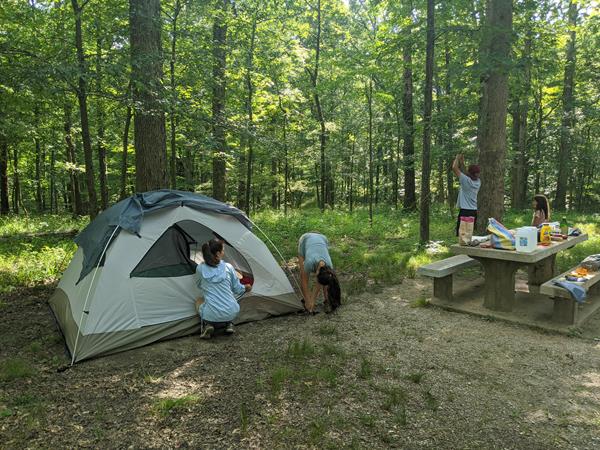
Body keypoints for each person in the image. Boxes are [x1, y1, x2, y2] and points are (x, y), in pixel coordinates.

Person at [196, 238, 251, 339]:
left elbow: (199, 285)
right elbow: (237, 289)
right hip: (232, 311)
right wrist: (246, 287)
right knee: (228, 299)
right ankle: (229, 324)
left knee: (199, 301)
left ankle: (208, 325)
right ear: (217, 253)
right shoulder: (228, 267)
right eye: (223, 250)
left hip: (211, 314)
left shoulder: (200, 269)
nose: (223, 252)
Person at [297, 232, 341, 313]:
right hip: (305, 238)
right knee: (302, 272)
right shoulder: (309, 263)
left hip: (322, 238)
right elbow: (304, 280)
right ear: (317, 273)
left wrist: (313, 300)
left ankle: (326, 299)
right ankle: (307, 301)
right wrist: (308, 300)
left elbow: (320, 282)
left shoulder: (329, 266)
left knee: (325, 279)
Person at [452, 154, 481, 235]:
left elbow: (454, 168)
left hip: (465, 211)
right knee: (469, 233)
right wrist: (462, 163)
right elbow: (467, 174)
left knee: (462, 234)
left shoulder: (465, 180)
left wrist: (457, 158)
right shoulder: (478, 182)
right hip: (474, 211)